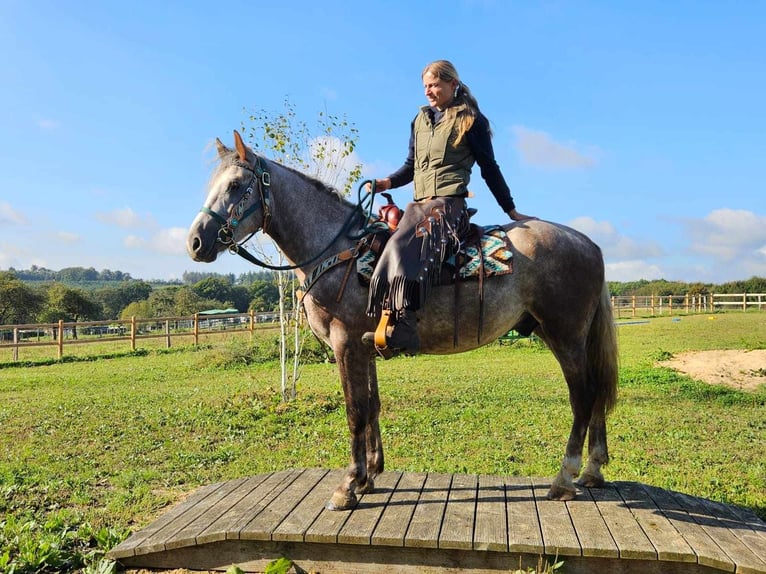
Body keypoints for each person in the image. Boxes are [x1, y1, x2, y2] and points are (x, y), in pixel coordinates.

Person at [362, 60, 535, 355]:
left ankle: (405, 327)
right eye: (426, 86)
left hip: (449, 205)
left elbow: (489, 169)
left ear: (453, 84)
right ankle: (383, 317)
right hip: (418, 205)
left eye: (435, 85)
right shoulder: (419, 121)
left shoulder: (471, 121)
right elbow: (411, 167)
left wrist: (511, 211)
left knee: (405, 249)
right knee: (387, 246)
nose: (429, 91)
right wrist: (386, 183)